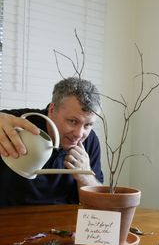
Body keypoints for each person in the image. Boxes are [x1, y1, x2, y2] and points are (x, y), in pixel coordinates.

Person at [0, 77, 103, 206]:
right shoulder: (19, 123)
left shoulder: (90, 141)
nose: (79, 134)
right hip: (10, 218)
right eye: (72, 121)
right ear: (52, 110)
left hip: (63, 220)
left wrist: (85, 176)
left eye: (88, 125)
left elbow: (98, 205)